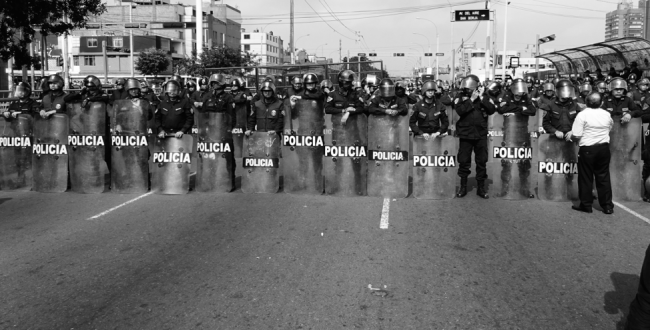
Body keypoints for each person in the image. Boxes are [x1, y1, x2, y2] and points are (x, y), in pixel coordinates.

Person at [454, 74, 497, 199]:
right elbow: (460, 110)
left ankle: (481, 187)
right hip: (465, 134)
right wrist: (471, 100)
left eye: (470, 87)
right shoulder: (460, 97)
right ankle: (463, 186)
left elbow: (491, 109)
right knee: (463, 160)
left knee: (481, 161)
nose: (467, 89)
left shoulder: (484, 97)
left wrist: (482, 97)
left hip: (480, 134)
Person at [571, 92, 614, 214]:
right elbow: (610, 127)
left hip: (588, 149)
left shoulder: (582, 115)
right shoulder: (606, 114)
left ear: (586, 102)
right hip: (604, 148)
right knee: (603, 177)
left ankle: (586, 205)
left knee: (585, 177)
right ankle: (607, 206)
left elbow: (577, 134)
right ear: (601, 103)